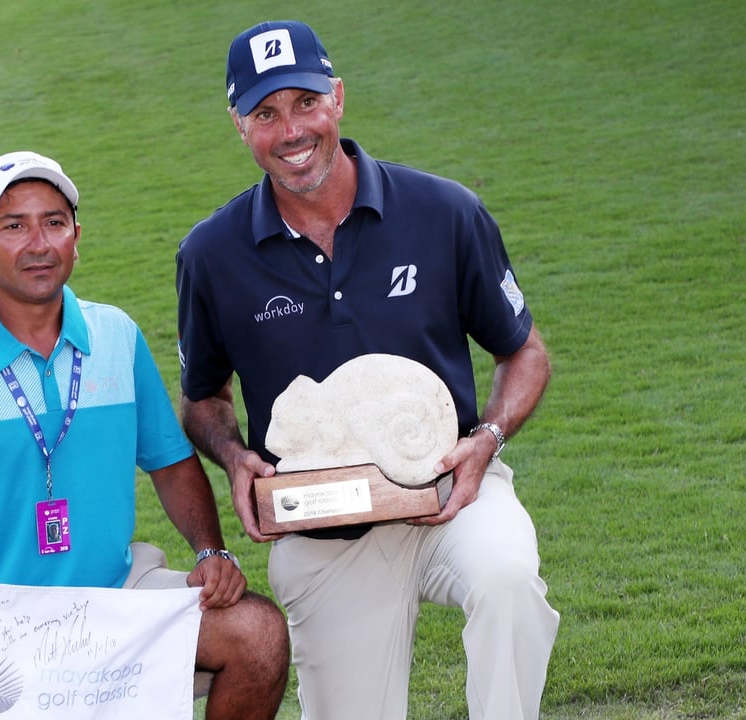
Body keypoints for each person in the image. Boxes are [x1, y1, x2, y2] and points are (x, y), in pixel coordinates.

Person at [175, 20, 560, 720]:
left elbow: (525, 352)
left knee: (508, 579)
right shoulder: (211, 254)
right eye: (266, 113)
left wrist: (490, 441)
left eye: (304, 103)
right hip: (324, 531)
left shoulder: (444, 211)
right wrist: (233, 456)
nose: (290, 130)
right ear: (240, 126)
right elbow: (203, 399)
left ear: (338, 98)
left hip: (453, 493)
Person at [0, 150, 289, 719]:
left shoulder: (116, 336)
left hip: (114, 598)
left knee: (257, 634)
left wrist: (210, 550)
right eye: (13, 226)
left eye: (54, 222)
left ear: (76, 237)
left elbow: (172, 462)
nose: (38, 243)